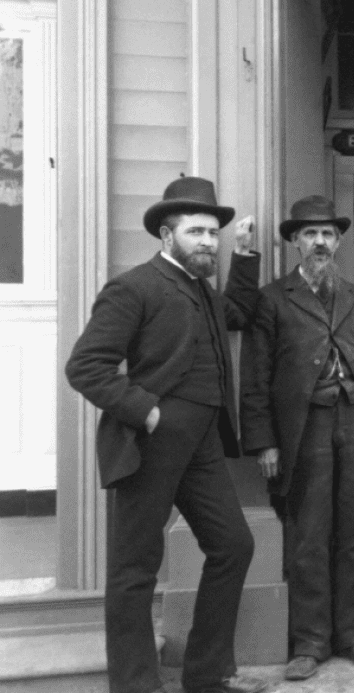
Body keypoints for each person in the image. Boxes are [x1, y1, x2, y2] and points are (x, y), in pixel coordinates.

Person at [64, 176, 263, 693]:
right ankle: (136, 686)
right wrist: (147, 412)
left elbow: (240, 312)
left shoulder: (204, 292)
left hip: (202, 444)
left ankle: (205, 676)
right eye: (197, 232)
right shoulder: (135, 287)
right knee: (135, 569)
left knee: (233, 545)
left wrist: (245, 256)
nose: (208, 242)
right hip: (150, 441)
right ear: (166, 235)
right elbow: (85, 366)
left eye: (214, 233)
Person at [240, 196, 354, 681]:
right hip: (304, 427)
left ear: (339, 240)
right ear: (295, 241)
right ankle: (310, 642)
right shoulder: (272, 298)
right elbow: (255, 377)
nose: (320, 242)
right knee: (308, 533)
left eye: (327, 233)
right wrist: (264, 441)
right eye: (310, 234)